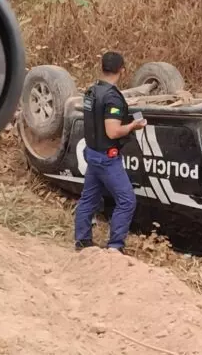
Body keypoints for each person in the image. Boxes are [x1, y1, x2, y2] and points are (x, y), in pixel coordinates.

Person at [73, 52, 146, 253]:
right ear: (122, 69)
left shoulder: (91, 91)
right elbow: (112, 131)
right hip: (107, 158)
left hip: (93, 153)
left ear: (102, 68)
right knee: (127, 201)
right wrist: (132, 126)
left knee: (88, 199)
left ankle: (82, 241)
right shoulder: (112, 97)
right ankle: (115, 247)